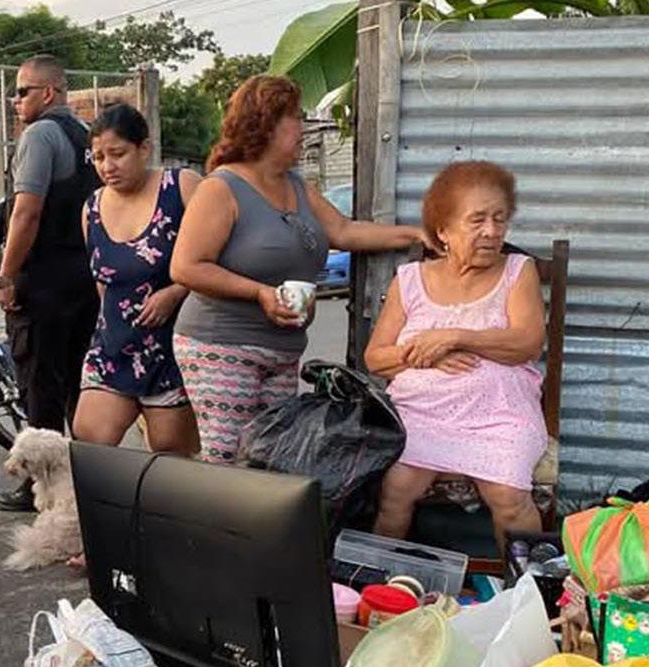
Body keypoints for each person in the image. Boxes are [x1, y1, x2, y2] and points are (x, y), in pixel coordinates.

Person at [170, 75, 428, 464]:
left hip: (283, 349)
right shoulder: (221, 188)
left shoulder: (294, 184)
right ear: (266, 124)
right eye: (295, 117)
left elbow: (343, 231)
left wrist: (415, 234)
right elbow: (186, 267)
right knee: (228, 462)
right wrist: (260, 293)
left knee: (270, 457)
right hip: (222, 345)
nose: (303, 127)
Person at [364, 160, 547, 553]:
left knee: (509, 497)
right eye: (477, 220)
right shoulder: (409, 280)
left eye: (500, 219)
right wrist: (425, 354)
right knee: (395, 489)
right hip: (421, 415)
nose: (492, 231)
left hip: (500, 416)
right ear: (443, 231)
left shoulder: (518, 272)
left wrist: (455, 337)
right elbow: (375, 358)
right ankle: (379, 579)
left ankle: (527, 582)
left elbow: (528, 343)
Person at [0, 54, 101, 509]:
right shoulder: (86, 136)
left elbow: (27, 211)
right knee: (79, 384)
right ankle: (86, 483)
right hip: (84, 277)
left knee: (40, 383)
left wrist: (6, 275)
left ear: (49, 92)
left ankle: (41, 486)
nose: (15, 100)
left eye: (22, 91)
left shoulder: (40, 135)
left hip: (43, 281)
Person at [75, 104, 200, 455]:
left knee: (171, 457)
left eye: (118, 154)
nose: (107, 166)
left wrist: (176, 292)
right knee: (90, 444)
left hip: (172, 350)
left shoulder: (182, 187)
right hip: (113, 347)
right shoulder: (92, 208)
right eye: (99, 157)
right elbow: (103, 284)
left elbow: (219, 255)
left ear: (144, 148)